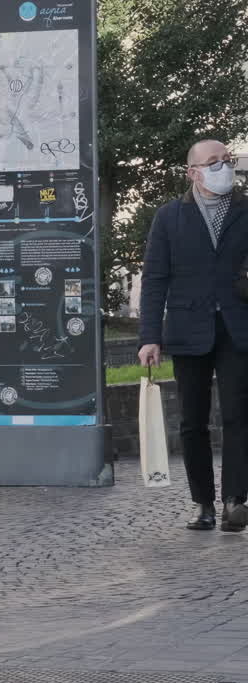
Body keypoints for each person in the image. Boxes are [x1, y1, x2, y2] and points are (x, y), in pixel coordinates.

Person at [139, 138, 248, 532]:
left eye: (226, 160)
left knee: (238, 415)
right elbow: (154, 280)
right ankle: (203, 502)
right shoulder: (169, 217)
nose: (223, 168)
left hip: (238, 327)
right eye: (213, 162)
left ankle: (235, 500)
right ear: (193, 173)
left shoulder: (245, 209)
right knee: (192, 421)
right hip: (188, 329)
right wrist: (149, 337)